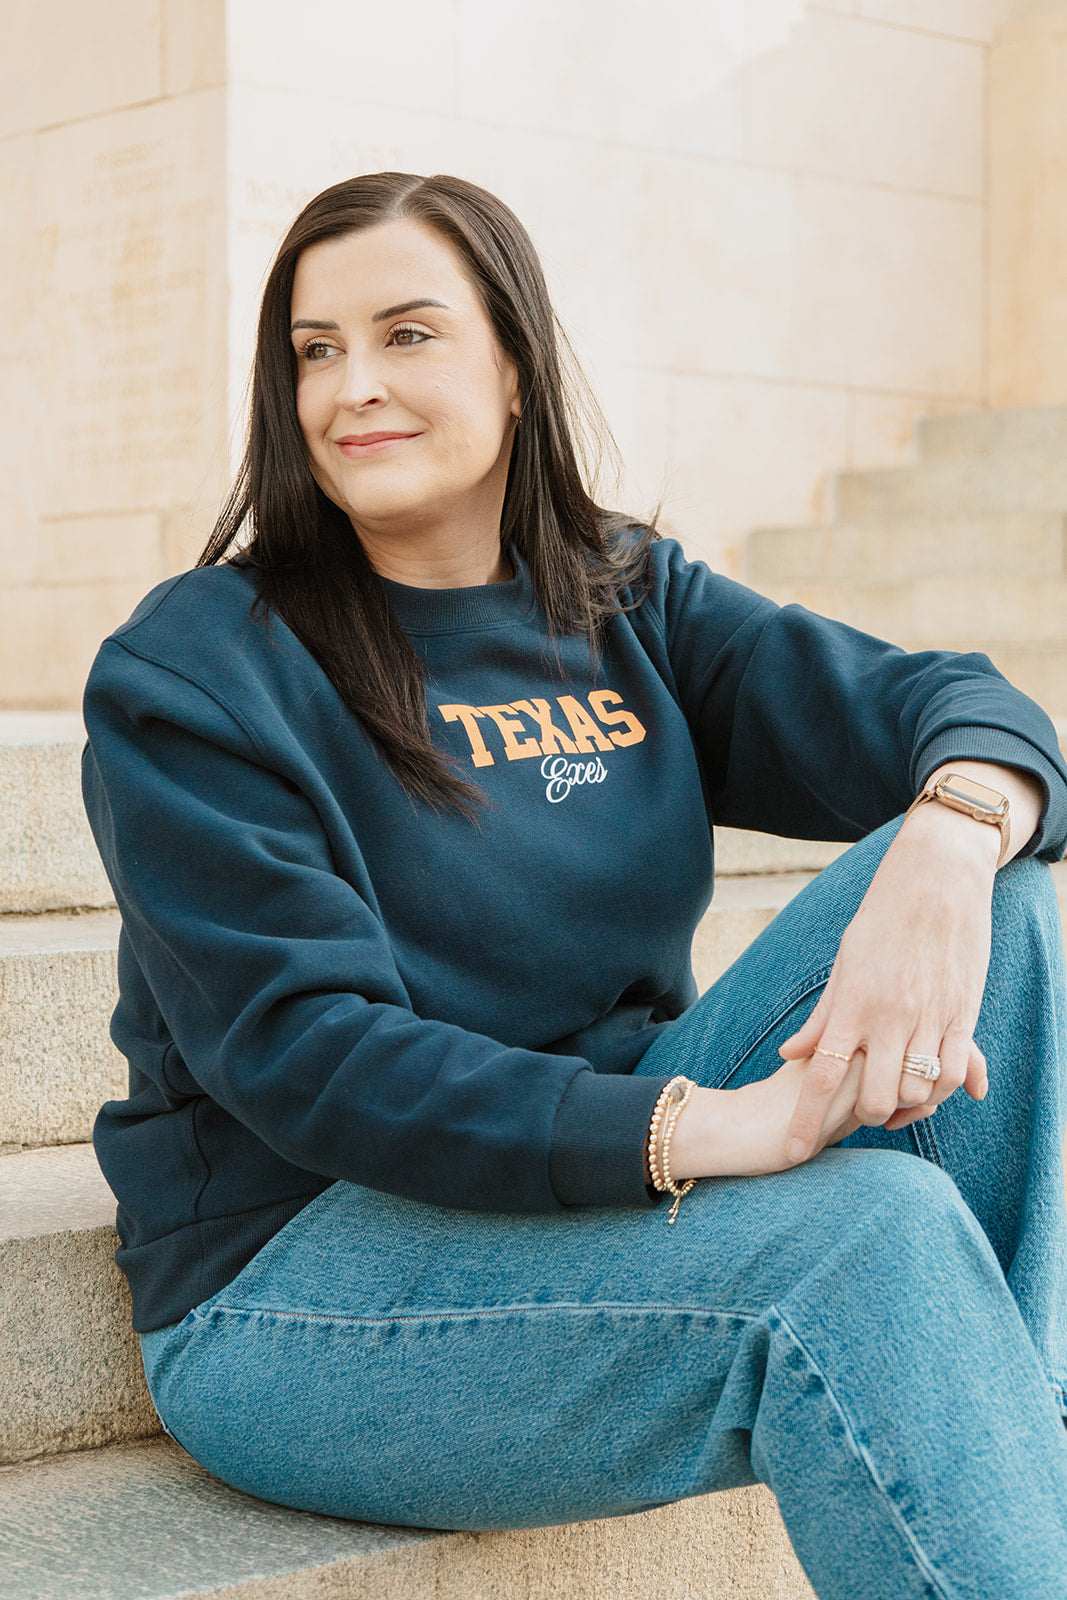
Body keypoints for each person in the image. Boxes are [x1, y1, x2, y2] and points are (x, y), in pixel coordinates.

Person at [81, 172, 1067, 1599]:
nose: (353, 387)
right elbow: (311, 1058)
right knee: (871, 1239)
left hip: (600, 1174)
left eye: (408, 333)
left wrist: (953, 837)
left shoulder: (619, 597)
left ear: (516, 365)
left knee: (1004, 899)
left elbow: (956, 708)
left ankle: (1017, 1464)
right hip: (303, 1274)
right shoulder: (199, 669)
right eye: (315, 348)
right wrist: (700, 1127)